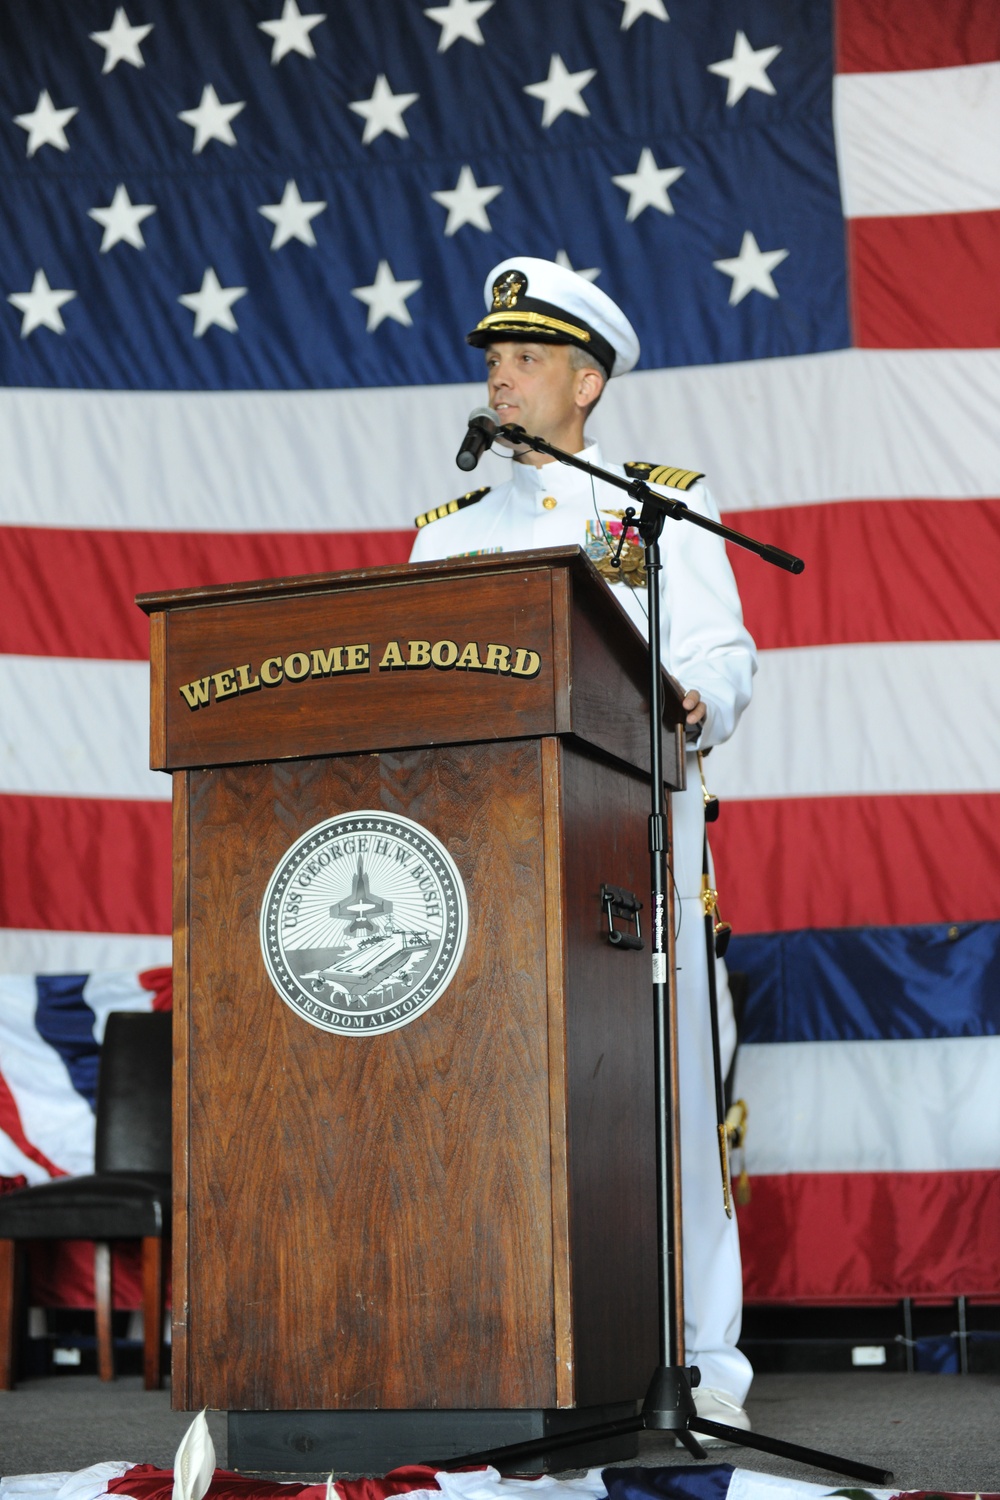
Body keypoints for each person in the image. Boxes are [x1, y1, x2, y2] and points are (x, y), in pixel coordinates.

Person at [409, 256, 757, 1430]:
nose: (497, 377)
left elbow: (718, 659)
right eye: (491, 360)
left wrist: (698, 699)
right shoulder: (445, 537)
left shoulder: (655, 506)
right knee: (489, 1101)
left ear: (587, 381)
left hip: (630, 854)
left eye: (523, 359)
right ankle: (499, 1357)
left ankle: (704, 1372)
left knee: (660, 1107)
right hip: (482, 869)